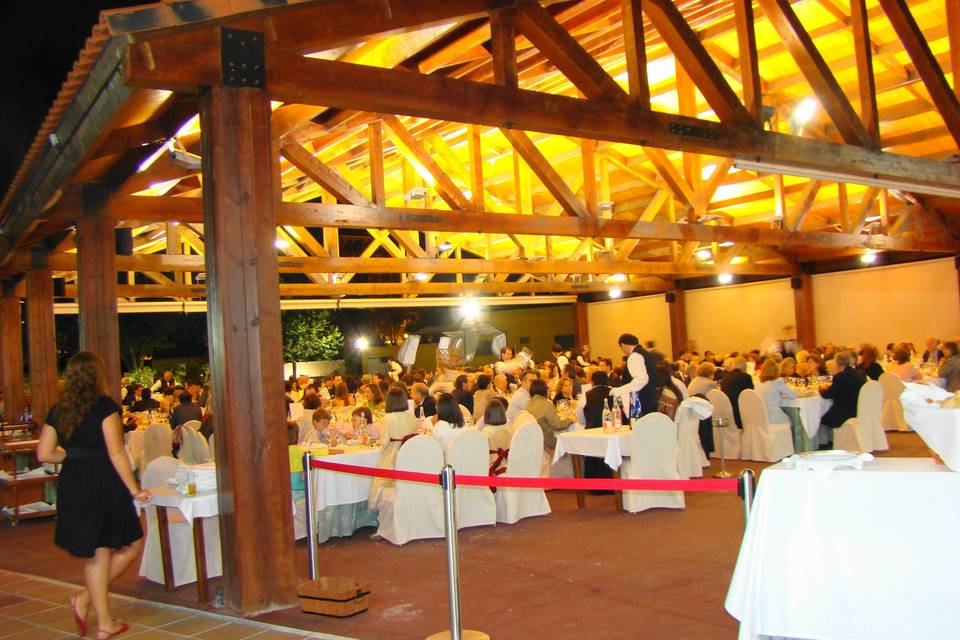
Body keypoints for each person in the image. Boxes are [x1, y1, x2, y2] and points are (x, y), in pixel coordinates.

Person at [37, 352, 149, 640]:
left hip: (73, 482)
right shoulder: (105, 407)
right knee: (127, 545)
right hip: (103, 481)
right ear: (97, 375)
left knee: (97, 551)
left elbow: (44, 453)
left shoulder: (59, 409)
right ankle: (104, 623)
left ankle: (88, 603)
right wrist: (134, 489)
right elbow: (115, 452)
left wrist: (73, 456)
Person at [369, 388, 419, 509]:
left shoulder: (388, 418)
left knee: (380, 479)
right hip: (409, 452)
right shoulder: (412, 417)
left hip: (393, 452)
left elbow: (385, 441)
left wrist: (378, 450)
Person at [610, 333, 660, 416]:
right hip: (650, 398)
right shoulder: (645, 353)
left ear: (622, 345)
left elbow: (641, 379)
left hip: (640, 401)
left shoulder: (635, 356)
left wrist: (621, 390)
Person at [819, 351, 867, 438]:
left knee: (820, 417)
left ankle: (826, 441)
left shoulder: (840, 377)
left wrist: (821, 390)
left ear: (837, 363)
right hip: (858, 409)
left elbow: (827, 394)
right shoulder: (859, 374)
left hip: (844, 413)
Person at [525, 379, 573, 452]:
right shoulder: (547, 404)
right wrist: (570, 420)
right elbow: (557, 425)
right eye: (547, 388)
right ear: (544, 390)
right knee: (571, 441)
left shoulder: (528, 404)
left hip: (533, 439)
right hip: (547, 442)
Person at [757, 359, 798, 425]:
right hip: (775, 417)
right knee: (793, 419)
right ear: (776, 370)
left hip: (761, 419)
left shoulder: (758, 383)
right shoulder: (777, 381)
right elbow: (793, 395)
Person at [720, 357, 754, 428]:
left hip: (727, 411)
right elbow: (751, 395)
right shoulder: (746, 376)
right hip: (740, 412)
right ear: (745, 366)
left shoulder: (725, 377)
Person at [480, 398, 512, 475]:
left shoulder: (485, 432)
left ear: (487, 414)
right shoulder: (510, 429)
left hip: (492, 468)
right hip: (509, 466)